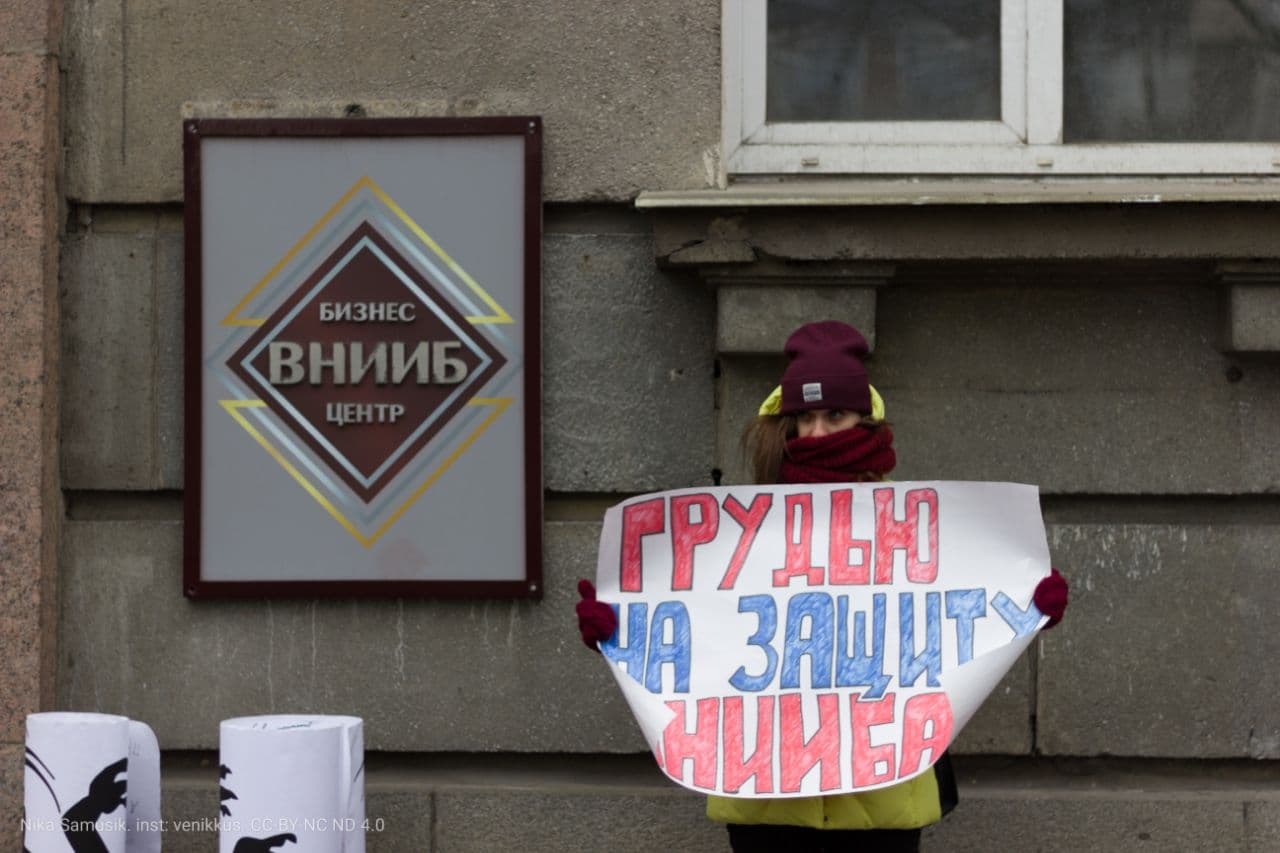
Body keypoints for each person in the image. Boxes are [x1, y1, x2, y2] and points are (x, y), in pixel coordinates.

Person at [578, 320, 1069, 853]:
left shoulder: (915, 529)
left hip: (881, 797)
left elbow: (954, 614)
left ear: (864, 419)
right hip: (768, 799)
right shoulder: (740, 533)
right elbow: (700, 630)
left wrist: (1025, 604)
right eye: (804, 418)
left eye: (834, 415)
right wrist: (621, 626)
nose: (816, 433)